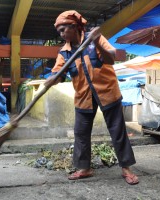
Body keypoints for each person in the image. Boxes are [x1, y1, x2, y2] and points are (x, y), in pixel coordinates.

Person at [45, 10, 139, 185]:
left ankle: (126, 168)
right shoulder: (64, 52)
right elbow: (57, 73)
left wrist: (97, 42)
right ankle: (84, 168)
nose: (61, 34)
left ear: (74, 27)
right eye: (59, 31)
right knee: (80, 133)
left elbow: (111, 58)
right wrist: (53, 79)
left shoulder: (94, 39)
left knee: (117, 131)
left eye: (63, 29)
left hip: (107, 92)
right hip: (83, 96)